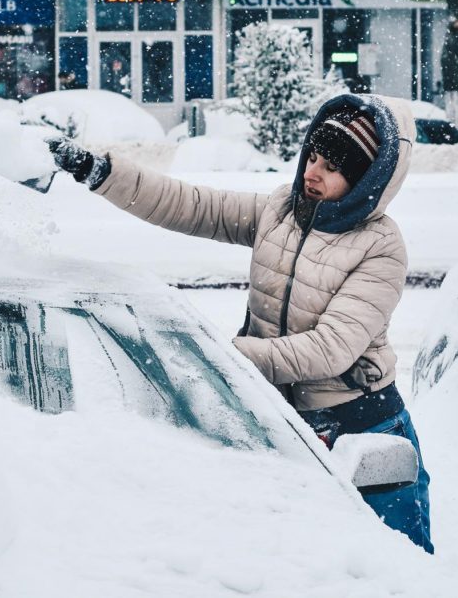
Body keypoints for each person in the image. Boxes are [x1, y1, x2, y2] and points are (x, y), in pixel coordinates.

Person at [47, 94, 433, 553]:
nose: (311, 172)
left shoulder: (381, 247)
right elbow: (190, 204)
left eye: (331, 167)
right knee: (311, 567)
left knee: (396, 566)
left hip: (365, 430)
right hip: (287, 422)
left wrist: (223, 354)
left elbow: (329, 349)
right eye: (312, 156)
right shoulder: (280, 212)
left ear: (363, 179)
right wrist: (99, 171)